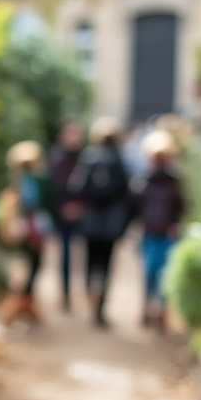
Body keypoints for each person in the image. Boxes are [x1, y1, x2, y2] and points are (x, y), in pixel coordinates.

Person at [69, 117, 134, 328]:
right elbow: (129, 194)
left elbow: (77, 187)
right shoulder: (121, 160)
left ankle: (90, 299)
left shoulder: (89, 158)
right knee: (106, 265)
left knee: (89, 263)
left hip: (91, 221)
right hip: (112, 223)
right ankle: (100, 308)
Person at [132, 128, 186, 331]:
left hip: (164, 231)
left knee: (162, 273)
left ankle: (161, 310)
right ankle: (147, 307)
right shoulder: (144, 180)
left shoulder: (172, 181)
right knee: (150, 272)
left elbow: (180, 206)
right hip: (150, 231)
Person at [0, 140, 51, 324]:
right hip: (28, 228)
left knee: (32, 265)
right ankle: (20, 303)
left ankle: (25, 303)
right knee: (29, 266)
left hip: (31, 227)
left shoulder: (30, 181)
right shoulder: (24, 183)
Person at [46, 119, 86, 312]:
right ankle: (65, 292)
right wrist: (64, 207)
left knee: (83, 254)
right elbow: (53, 186)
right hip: (62, 213)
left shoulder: (86, 158)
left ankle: (86, 292)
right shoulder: (56, 158)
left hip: (82, 213)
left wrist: (80, 206)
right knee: (65, 253)